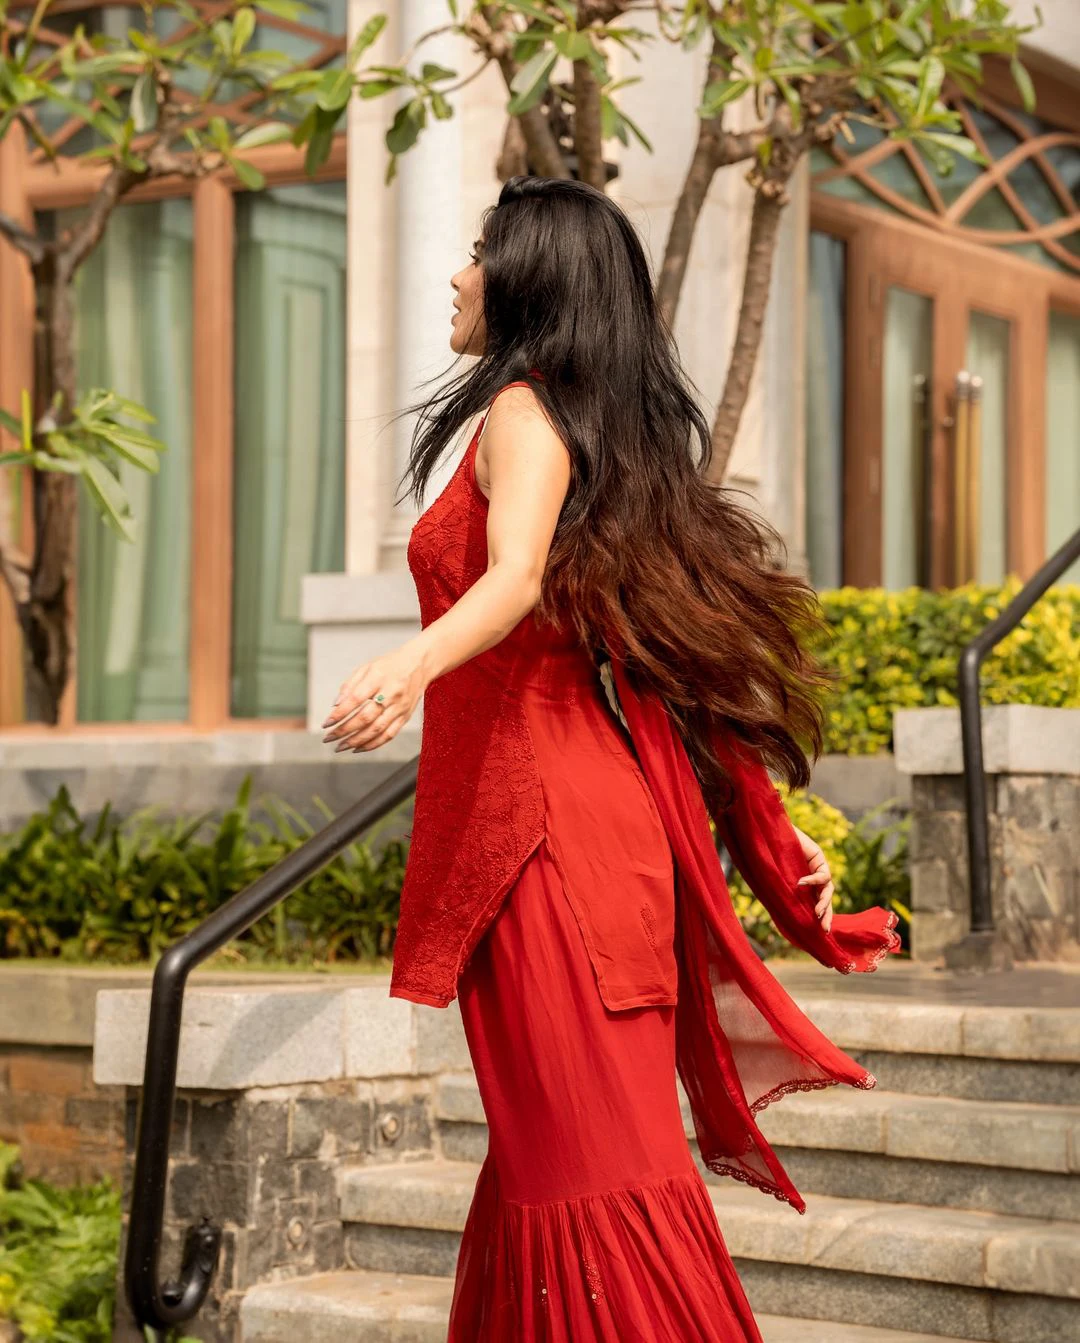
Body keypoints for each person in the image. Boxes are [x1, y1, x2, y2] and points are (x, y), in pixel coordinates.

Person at [321, 175, 901, 1342]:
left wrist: (410, 664)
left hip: (549, 850)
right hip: (575, 840)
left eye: (478, 251)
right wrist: (773, 841)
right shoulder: (584, 431)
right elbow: (669, 675)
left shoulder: (527, 414)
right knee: (569, 1168)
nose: (455, 271)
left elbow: (515, 576)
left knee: (585, 1178)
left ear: (531, 277)